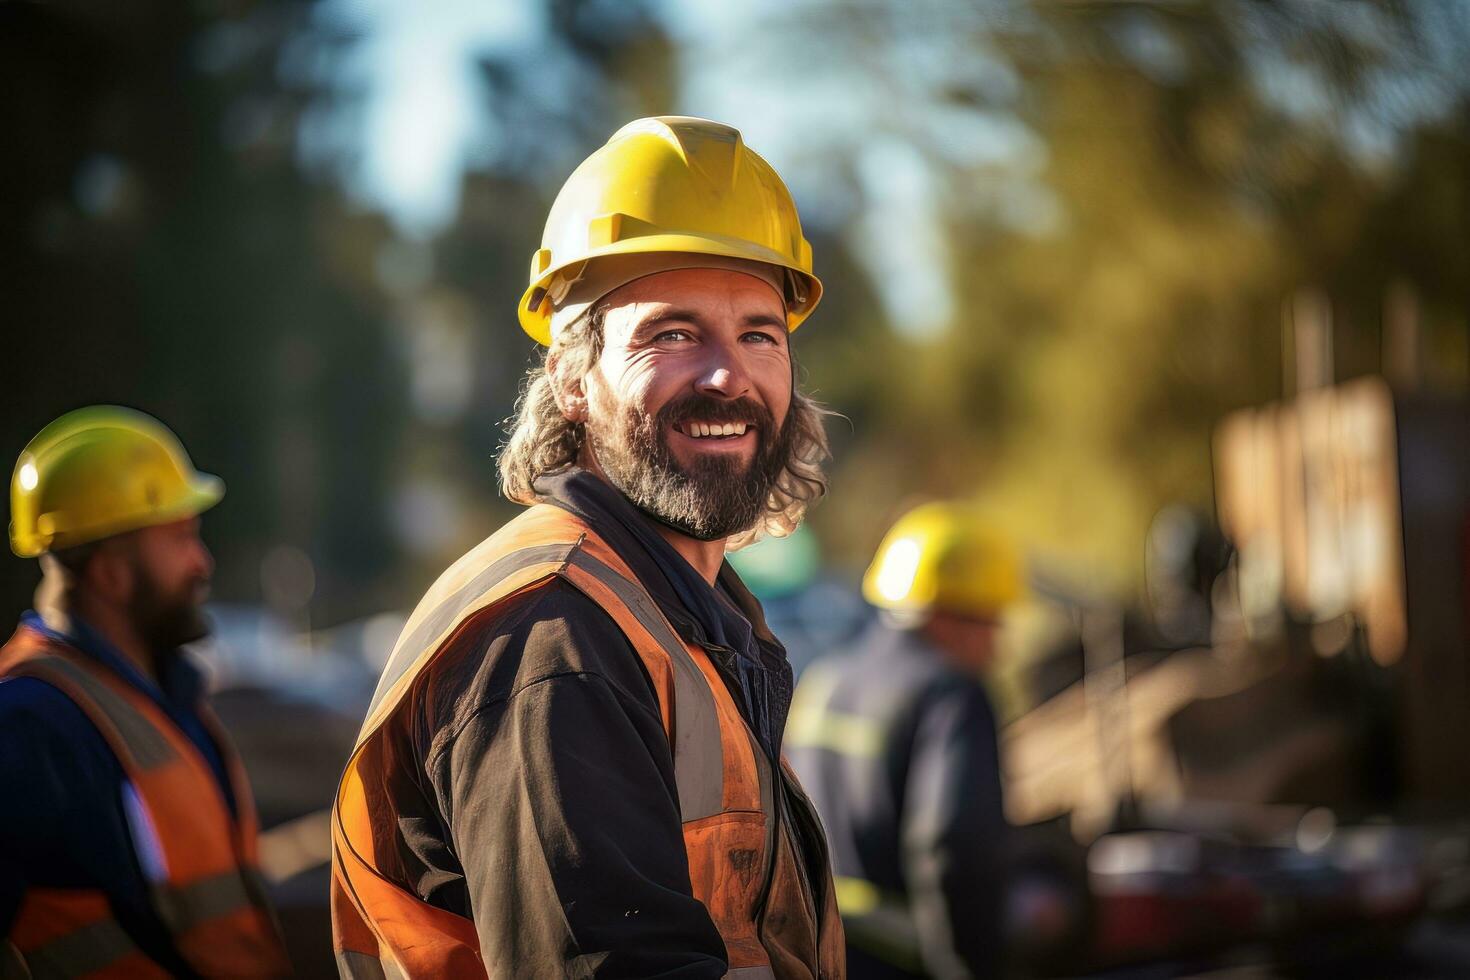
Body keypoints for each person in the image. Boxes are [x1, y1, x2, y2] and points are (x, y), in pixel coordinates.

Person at [330, 116, 845, 978]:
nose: (728, 375)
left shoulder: (685, 617)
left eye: (759, 333)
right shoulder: (554, 639)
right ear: (572, 378)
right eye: (672, 334)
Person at [0, 406, 289, 977]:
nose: (201, 562)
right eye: (181, 538)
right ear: (110, 571)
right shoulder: (26, 724)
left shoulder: (164, 698)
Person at [786, 503, 1023, 979]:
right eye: (992, 622)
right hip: (900, 963)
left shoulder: (824, 679)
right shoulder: (951, 694)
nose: (996, 648)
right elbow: (953, 847)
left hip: (814, 957)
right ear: (955, 614)